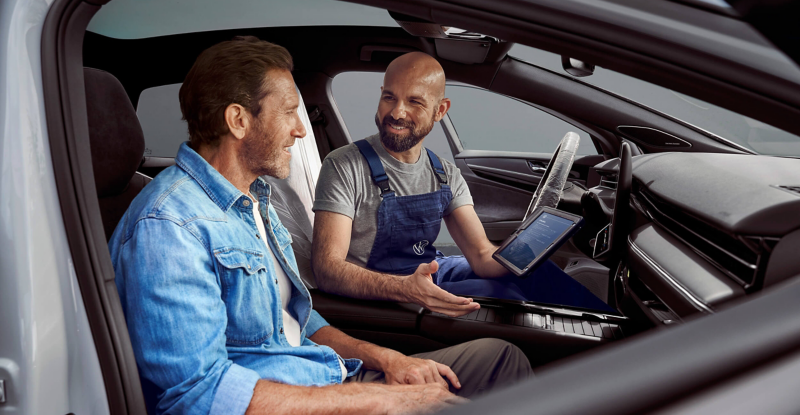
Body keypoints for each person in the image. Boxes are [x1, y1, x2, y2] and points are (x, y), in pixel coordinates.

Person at [108, 37, 532, 415]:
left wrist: (388, 360)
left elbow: (297, 322)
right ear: (239, 120)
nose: (299, 129)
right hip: (291, 397)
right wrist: (382, 400)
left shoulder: (254, 202)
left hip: (321, 376)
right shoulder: (168, 227)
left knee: (501, 360)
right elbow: (198, 396)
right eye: (290, 112)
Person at [311, 52, 610, 317]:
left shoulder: (446, 174)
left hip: (432, 273)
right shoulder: (343, 165)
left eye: (414, 101)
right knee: (505, 298)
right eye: (389, 97)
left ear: (440, 110)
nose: (397, 112)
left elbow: (481, 257)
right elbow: (328, 270)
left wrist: (526, 247)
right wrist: (406, 288)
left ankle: (621, 338)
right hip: (385, 294)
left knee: (537, 273)